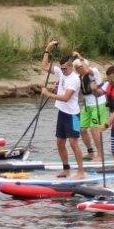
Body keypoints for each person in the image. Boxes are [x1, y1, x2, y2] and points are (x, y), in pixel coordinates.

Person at [39, 40, 86, 179]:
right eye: (62, 68)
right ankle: (66, 169)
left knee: (73, 143)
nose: (63, 70)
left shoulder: (75, 79)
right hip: (62, 114)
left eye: (65, 68)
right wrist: (47, 49)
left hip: (74, 115)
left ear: (71, 66)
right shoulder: (61, 72)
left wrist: (48, 94)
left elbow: (66, 98)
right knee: (60, 143)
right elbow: (44, 66)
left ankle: (81, 171)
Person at [72, 52, 106, 161]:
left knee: (94, 129)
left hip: (98, 104)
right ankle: (91, 152)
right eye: (76, 68)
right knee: (81, 129)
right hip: (87, 105)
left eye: (78, 68)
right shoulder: (79, 77)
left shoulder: (94, 72)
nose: (76, 70)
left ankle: (100, 155)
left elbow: (87, 70)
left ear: (83, 66)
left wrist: (79, 56)